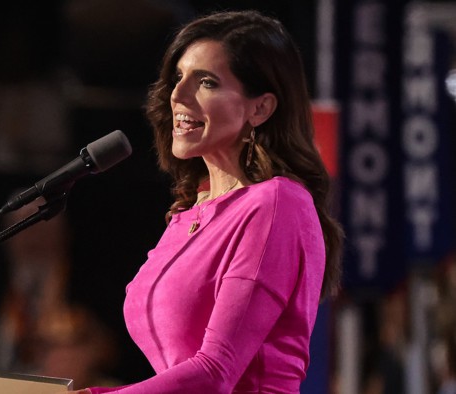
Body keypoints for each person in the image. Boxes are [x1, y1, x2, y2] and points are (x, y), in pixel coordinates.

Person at [70, 10, 344, 393]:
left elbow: (217, 371)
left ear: (260, 108)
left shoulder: (277, 204)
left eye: (207, 82)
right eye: (178, 78)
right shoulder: (188, 214)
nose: (178, 96)